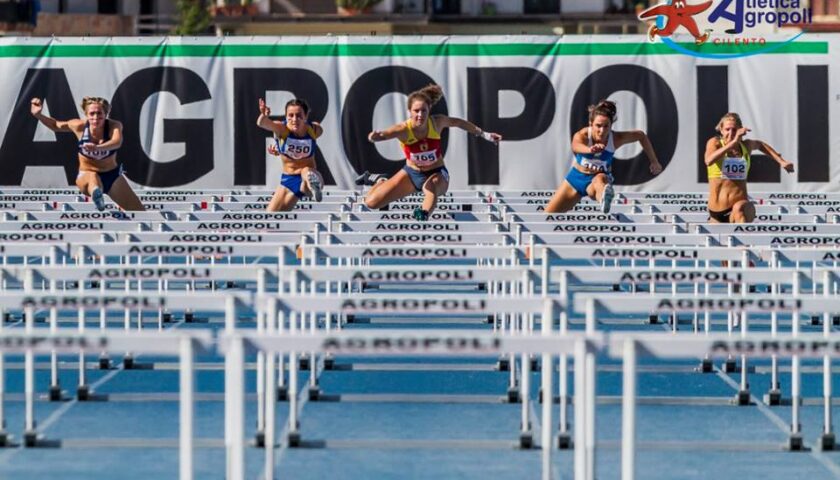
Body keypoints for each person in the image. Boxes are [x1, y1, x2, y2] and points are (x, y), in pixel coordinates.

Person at [357, 84, 501, 221]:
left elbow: (459, 123)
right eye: (416, 111)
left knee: (430, 186)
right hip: (411, 174)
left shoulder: (437, 123)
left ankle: (424, 213)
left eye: (423, 111)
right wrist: (375, 137)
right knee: (371, 203)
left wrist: (485, 134)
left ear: (429, 109)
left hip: (437, 173)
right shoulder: (403, 129)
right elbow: (384, 134)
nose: (420, 115)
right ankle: (381, 180)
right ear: (409, 111)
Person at [545, 100, 662, 214]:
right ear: (591, 124)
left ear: (611, 125)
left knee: (600, 180)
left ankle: (604, 198)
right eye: (598, 126)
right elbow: (575, 146)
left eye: (606, 126)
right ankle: (603, 195)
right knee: (547, 216)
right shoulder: (583, 135)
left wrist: (654, 161)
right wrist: (590, 149)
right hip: (575, 179)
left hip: (597, 179)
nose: (602, 131)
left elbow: (641, 135)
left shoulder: (616, 138)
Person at [30, 96, 143, 211]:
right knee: (93, 177)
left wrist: (97, 147)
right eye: (92, 114)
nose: (95, 118)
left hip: (112, 176)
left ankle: (98, 194)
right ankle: (96, 195)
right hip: (87, 175)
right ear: (86, 114)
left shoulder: (114, 126)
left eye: (99, 113)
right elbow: (55, 125)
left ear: (106, 114)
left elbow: (116, 142)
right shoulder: (79, 126)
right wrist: (38, 115)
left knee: (139, 212)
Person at [704, 112, 794, 223]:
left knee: (739, 209)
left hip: (739, 207)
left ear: (740, 130)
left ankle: (744, 236)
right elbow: (708, 160)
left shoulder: (746, 146)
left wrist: (781, 161)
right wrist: (732, 144)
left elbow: (760, 145)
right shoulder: (715, 143)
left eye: (734, 130)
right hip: (716, 212)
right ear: (721, 130)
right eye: (727, 129)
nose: (731, 133)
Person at [257, 97, 324, 212]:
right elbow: (262, 123)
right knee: (271, 217)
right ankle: (309, 186)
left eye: (299, 115)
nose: (294, 119)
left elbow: (317, 132)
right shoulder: (281, 129)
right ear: (286, 116)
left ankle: (312, 186)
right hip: (288, 179)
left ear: (306, 116)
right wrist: (263, 115)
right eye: (290, 115)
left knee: (306, 172)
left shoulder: (315, 129)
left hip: (308, 175)